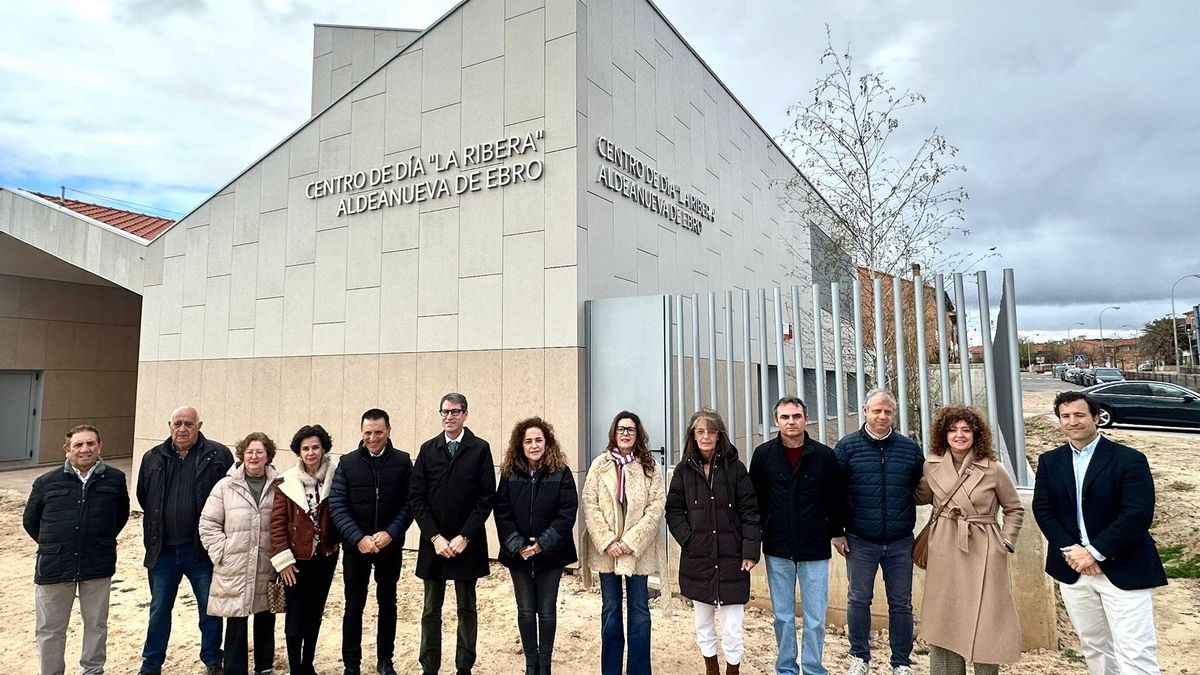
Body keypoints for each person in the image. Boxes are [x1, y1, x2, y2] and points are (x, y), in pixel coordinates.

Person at [1032, 391, 1166, 675]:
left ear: (1095, 418)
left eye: (1079, 415)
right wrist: (1073, 552)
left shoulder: (1129, 460)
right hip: (1073, 570)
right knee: (1094, 647)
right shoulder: (1050, 461)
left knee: (1135, 650)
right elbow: (1043, 510)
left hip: (1123, 568)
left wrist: (1093, 553)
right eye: (1065, 416)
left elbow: (1137, 515)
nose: (1072, 422)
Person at [915, 406, 1025, 675]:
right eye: (952, 430)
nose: (959, 435)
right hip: (944, 548)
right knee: (945, 616)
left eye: (965, 430)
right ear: (943, 434)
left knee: (987, 618)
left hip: (984, 547)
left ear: (977, 433)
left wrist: (1005, 543)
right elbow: (919, 497)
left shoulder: (993, 469)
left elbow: (1014, 509)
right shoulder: (931, 466)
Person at [23, 424, 130, 675]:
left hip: (97, 563)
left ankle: (93, 670)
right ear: (66, 449)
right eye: (78, 445)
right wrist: (56, 545)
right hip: (54, 566)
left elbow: (120, 516)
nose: (85, 449)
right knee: (50, 629)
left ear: (99, 446)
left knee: (96, 624)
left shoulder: (115, 479)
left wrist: (96, 540)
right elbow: (30, 522)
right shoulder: (45, 482)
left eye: (91, 444)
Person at [832, 389, 924, 675]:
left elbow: (923, 489)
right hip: (860, 541)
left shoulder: (909, 450)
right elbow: (834, 493)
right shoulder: (847, 448)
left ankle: (902, 662)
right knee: (858, 599)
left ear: (893, 414)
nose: (882, 416)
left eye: (887, 412)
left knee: (901, 603)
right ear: (864, 411)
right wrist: (837, 532)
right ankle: (859, 657)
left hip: (899, 542)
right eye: (876, 411)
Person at [137, 405, 234, 675]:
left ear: (199, 426)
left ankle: (213, 659)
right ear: (169, 425)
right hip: (162, 551)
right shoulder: (152, 457)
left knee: (209, 609)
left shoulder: (218, 455)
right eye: (177, 423)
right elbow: (144, 496)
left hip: (200, 551)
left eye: (188, 424)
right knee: (158, 610)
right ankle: (151, 664)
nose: (182, 429)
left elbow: (230, 497)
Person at [749, 396, 842, 675]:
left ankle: (813, 668)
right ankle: (786, 668)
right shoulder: (763, 455)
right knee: (783, 617)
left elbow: (835, 499)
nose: (792, 422)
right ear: (776, 421)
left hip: (815, 549)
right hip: (777, 547)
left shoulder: (825, 456)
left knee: (815, 618)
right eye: (785, 417)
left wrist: (837, 533)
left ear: (806, 419)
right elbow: (754, 501)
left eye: (797, 416)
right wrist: (756, 539)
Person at [666, 410, 760, 675]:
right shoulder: (684, 471)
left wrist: (750, 552)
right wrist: (689, 539)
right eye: (700, 432)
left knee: (732, 626)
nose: (706, 436)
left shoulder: (735, 469)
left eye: (711, 431)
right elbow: (673, 510)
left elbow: (750, 512)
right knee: (703, 623)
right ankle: (711, 669)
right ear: (693, 436)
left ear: (720, 435)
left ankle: (732, 670)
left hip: (733, 559)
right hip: (699, 559)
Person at [410, 392, 496, 675]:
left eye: (455, 412)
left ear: (466, 414)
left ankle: (464, 667)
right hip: (434, 543)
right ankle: (429, 667)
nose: (449, 416)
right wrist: (434, 537)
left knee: (466, 609)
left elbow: (486, 498)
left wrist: (465, 536)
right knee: (431, 610)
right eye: (445, 412)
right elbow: (417, 497)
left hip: (465, 543)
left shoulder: (480, 448)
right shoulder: (428, 449)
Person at [328, 409, 413, 675]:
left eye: (378, 432)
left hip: (389, 546)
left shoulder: (402, 462)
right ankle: (351, 664)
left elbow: (410, 503)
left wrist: (391, 533)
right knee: (354, 606)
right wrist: (358, 538)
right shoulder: (348, 462)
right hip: (357, 548)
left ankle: (385, 660)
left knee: (388, 603)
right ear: (361, 432)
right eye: (368, 433)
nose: (373, 438)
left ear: (388, 430)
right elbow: (338, 505)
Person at [581, 410, 666, 675]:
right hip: (607, 551)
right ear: (613, 433)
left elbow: (656, 507)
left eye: (630, 429)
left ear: (638, 434)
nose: (625, 434)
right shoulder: (600, 465)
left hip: (636, 552)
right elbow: (589, 502)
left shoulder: (650, 467)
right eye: (621, 429)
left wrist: (631, 541)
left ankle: (639, 670)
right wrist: (607, 540)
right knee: (611, 610)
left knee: (639, 611)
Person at [493, 417, 579, 675]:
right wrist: (518, 544)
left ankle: (545, 664)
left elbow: (567, 513)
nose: (533, 445)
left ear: (547, 442)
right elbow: (502, 511)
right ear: (520, 444)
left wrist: (542, 544)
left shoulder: (560, 472)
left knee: (547, 610)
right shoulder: (509, 473)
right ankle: (531, 663)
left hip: (551, 554)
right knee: (526, 610)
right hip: (517, 554)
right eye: (528, 441)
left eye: (538, 440)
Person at [199, 432, 280, 675]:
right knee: (236, 619)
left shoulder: (280, 486)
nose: (254, 456)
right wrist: (221, 552)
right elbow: (208, 523)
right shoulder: (225, 486)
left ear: (268, 456)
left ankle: (264, 667)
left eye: (259, 452)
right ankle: (235, 670)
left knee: (266, 617)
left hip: (267, 564)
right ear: (242, 455)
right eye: (249, 452)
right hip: (235, 565)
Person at [270, 424, 341, 675]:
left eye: (315, 447)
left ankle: (307, 664)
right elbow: (277, 525)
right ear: (299, 452)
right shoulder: (286, 482)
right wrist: (283, 561)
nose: (311, 453)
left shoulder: (336, 476)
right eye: (306, 448)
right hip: (295, 560)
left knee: (315, 612)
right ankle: (294, 668)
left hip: (325, 556)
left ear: (323, 449)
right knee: (295, 615)